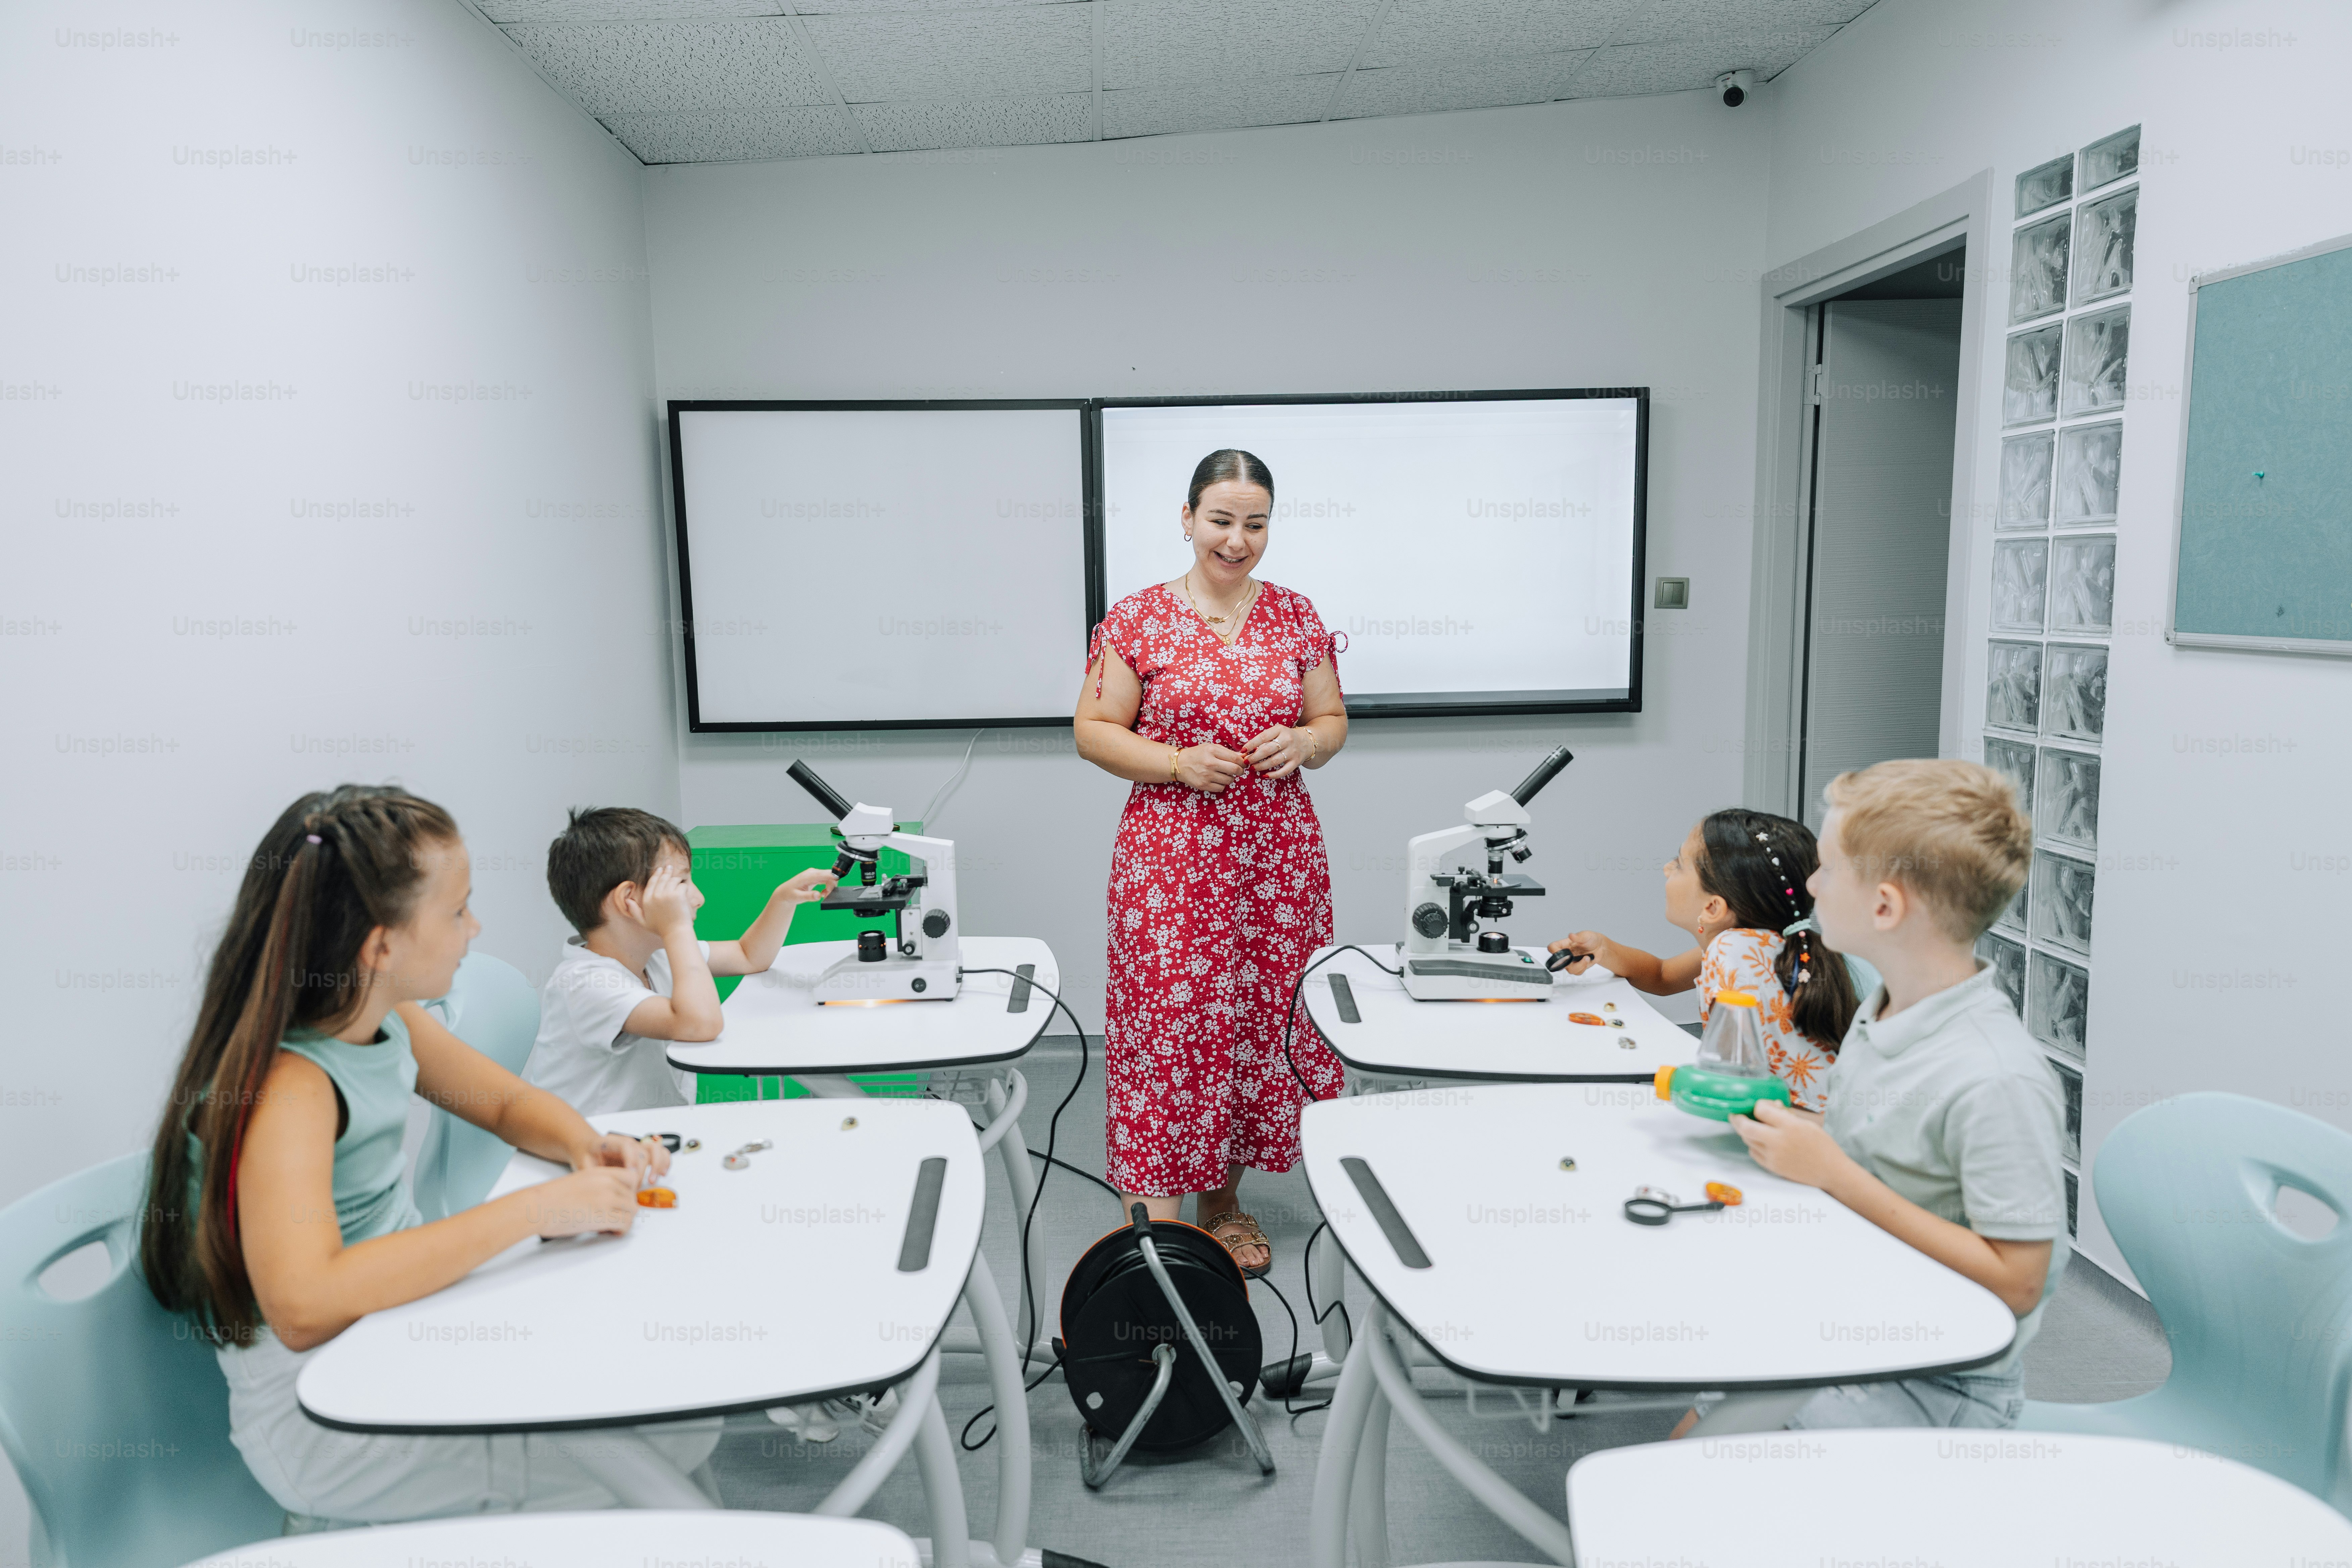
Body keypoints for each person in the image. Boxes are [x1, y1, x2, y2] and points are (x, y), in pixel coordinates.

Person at [140, 785, 718, 1524]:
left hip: (400, 1333)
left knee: (673, 1415)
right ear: (381, 945)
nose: (475, 927)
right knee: (657, 1446)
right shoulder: (289, 1089)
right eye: (457, 911)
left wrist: (587, 1142)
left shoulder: (384, 1013)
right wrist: (538, 1207)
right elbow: (305, 1306)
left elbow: (507, 1104)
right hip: (326, 1417)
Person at [1722, 758, 2066, 1430]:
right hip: (1866, 1313)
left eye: (1824, 866)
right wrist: (1791, 1122)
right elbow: (1885, 1140)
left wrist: (1832, 1172)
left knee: (1699, 1464)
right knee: (1703, 1422)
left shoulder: (1996, 1076)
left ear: (1884, 905)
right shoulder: (1885, 1011)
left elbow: (2019, 1280)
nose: (1812, 883)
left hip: (1937, 1382)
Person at [1073, 448, 1348, 1275]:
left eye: (1255, 523)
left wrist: (1304, 739)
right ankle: (1157, 1220)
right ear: (1188, 518)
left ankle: (1224, 1204)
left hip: (1276, 859)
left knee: (1255, 1026)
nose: (1238, 539)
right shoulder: (1139, 618)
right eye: (1221, 520)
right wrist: (1176, 762)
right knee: (1169, 1023)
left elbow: (1332, 720)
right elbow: (1093, 731)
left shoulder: (1295, 615)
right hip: (1171, 856)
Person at [525, 806, 834, 1116]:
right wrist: (676, 927)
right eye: (682, 883)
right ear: (629, 900)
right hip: (591, 1151)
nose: (699, 898)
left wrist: (782, 899)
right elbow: (700, 1024)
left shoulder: (655, 957)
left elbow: (747, 956)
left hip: (649, 1138)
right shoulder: (585, 983)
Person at [1549, 809, 1858, 1111]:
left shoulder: (1731, 953)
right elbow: (1663, 976)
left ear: (1713, 909)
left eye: (1681, 865)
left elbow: (1729, 1085)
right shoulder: (1765, 942)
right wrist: (1604, 949)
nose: (1667, 868)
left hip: (1797, 1128)